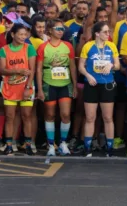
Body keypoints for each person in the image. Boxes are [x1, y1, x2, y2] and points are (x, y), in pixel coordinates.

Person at [79, 21, 120, 157]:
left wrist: (112, 65)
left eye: (109, 32)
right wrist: (88, 75)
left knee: (108, 117)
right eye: (105, 32)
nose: (108, 34)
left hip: (107, 84)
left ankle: (109, 147)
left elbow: (118, 65)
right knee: (90, 117)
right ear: (97, 33)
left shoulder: (112, 46)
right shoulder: (88, 46)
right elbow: (81, 66)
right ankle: (87, 147)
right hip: (92, 84)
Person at [36, 19, 77, 157]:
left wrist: (75, 85)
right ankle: (51, 144)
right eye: (58, 29)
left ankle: (63, 143)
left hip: (65, 83)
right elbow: (39, 69)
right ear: (50, 31)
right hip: (49, 82)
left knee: (65, 114)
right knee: (50, 115)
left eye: (62, 29)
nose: (61, 31)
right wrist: (40, 89)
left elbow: (72, 66)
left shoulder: (68, 46)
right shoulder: (43, 47)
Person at [0, 23, 37, 155]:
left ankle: (28, 144)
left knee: (27, 116)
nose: (23, 37)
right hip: (10, 88)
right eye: (20, 34)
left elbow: (32, 70)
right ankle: (9, 144)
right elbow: (2, 69)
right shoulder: (4, 50)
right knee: (9, 117)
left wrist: (28, 87)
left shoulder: (29, 48)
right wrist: (18, 70)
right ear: (13, 34)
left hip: (26, 87)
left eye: (25, 34)